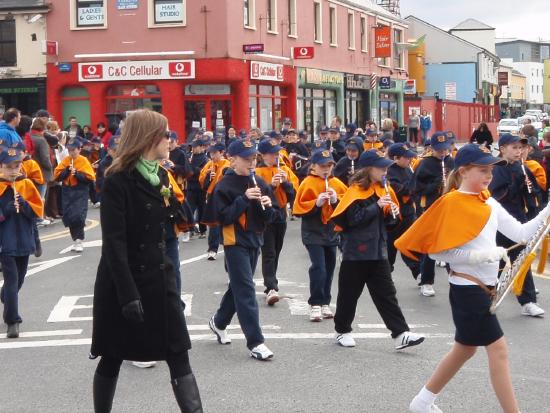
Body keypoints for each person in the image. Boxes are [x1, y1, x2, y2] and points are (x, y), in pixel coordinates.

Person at [396, 144, 550, 413]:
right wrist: (478, 257)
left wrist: (547, 211)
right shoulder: (451, 202)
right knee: (498, 349)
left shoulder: (489, 202)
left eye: (490, 170)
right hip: (467, 287)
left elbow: (521, 233)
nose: (489, 176)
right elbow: (436, 251)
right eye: (483, 170)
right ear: (464, 171)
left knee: (464, 349)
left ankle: (421, 401)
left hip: (485, 287)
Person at [90, 109, 202, 412]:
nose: (170, 140)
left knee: (178, 350)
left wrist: (179, 207)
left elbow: (174, 220)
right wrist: (127, 295)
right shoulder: (116, 180)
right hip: (124, 282)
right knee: (112, 354)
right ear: (150, 138)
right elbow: (113, 242)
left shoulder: (161, 174)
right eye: (166, 134)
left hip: (159, 275)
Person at [330, 149, 425, 349]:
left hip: (378, 250)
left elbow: (389, 226)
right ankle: (342, 330)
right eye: (381, 168)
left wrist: (392, 214)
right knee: (349, 294)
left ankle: (400, 334)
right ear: (368, 169)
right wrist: (376, 207)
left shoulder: (384, 189)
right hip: (356, 252)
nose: (385, 171)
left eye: (385, 168)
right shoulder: (356, 191)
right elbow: (351, 221)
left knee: (387, 294)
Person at [208, 140, 280, 361]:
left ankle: (219, 322)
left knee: (239, 286)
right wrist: (243, 199)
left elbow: (273, 216)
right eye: (246, 159)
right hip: (234, 240)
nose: (251, 163)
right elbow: (220, 217)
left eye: (254, 158)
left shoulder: (259, 182)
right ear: (233, 160)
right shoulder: (224, 185)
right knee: (247, 289)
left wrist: (269, 205)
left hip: (254, 238)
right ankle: (256, 342)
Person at [489, 134, 544, 317]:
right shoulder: (496, 168)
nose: (519, 152)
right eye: (514, 148)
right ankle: (489, 296)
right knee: (496, 261)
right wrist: (516, 185)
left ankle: (527, 301)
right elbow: (495, 196)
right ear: (502, 148)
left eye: (521, 148)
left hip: (520, 220)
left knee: (522, 260)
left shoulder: (523, 168)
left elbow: (535, 192)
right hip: (500, 224)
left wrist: (531, 190)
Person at [293, 149, 347, 322]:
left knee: (330, 268)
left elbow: (347, 206)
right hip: (313, 231)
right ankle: (315, 303)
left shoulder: (337, 183)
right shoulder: (307, 183)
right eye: (323, 166)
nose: (326, 170)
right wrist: (316, 203)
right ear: (314, 166)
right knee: (319, 267)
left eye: (329, 166)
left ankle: (325, 301)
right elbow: (298, 208)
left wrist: (334, 200)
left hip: (331, 231)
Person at [0, 144, 44, 339]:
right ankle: (12, 320)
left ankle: (6, 297)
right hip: (5, 242)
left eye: (16, 166)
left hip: (24, 240)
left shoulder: (26, 185)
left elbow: (37, 212)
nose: (13, 171)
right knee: (11, 280)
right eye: (9, 167)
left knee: (20, 279)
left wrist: (25, 205)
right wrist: (5, 211)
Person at [255, 138, 299, 305]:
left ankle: (271, 281)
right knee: (269, 251)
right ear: (264, 155)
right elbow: (258, 195)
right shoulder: (258, 172)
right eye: (273, 154)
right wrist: (271, 186)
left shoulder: (286, 169)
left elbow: (293, 193)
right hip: (265, 214)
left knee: (277, 249)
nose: (277, 156)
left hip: (280, 213)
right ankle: (271, 286)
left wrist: (285, 182)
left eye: (277, 153)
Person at [413, 132, 455, 296]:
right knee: (430, 245)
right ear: (432, 148)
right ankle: (427, 281)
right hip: (431, 206)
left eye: (445, 149)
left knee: (451, 243)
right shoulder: (425, 164)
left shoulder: (451, 162)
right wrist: (436, 184)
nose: (443, 153)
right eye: (439, 150)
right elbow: (417, 189)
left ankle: (455, 277)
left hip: (450, 206)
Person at [386, 143, 421, 280]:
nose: (409, 160)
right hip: (393, 215)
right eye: (406, 158)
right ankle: (386, 274)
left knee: (409, 244)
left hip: (408, 214)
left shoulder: (408, 169)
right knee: (390, 247)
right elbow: (399, 190)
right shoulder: (388, 171)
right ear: (396, 158)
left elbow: (414, 190)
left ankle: (418, 272)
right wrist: (413, 187)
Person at [54, 140, 96, 253]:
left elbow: (89, 178)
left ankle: (79, 240)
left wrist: (77, 173)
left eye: (74, 150)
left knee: (78, 215)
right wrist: (66, 171)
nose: (71, 152)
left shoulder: (83, 161)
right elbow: (57, 177)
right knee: (69, 216)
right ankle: (75, 239)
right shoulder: (66, 161)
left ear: (79, 149)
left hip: (80, 191)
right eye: (70, 150)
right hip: (67, 191)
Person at [199, 142, 230, 260]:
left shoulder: (227, 164)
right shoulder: (209, 165)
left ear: (222, 153)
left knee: (225, 221)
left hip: (223, 195)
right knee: (213, 223)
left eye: (215, 153)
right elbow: (201, 180)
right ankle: (212, 249)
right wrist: (207, 176)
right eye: (211, 153)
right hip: (211, 196)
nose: (212, 156)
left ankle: (228, 244)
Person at [186, 139, 209, 239]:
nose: (193, 149)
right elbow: (186, 169)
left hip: (201, 188)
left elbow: (204, 172)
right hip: (191, 186)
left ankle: (202, 230)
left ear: (202, 147)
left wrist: (193, 168)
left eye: (195, 147)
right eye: (193, 147)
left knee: (202, 210)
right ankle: (190, 229)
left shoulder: (205, 159)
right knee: (189, 208)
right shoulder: (189, 157)